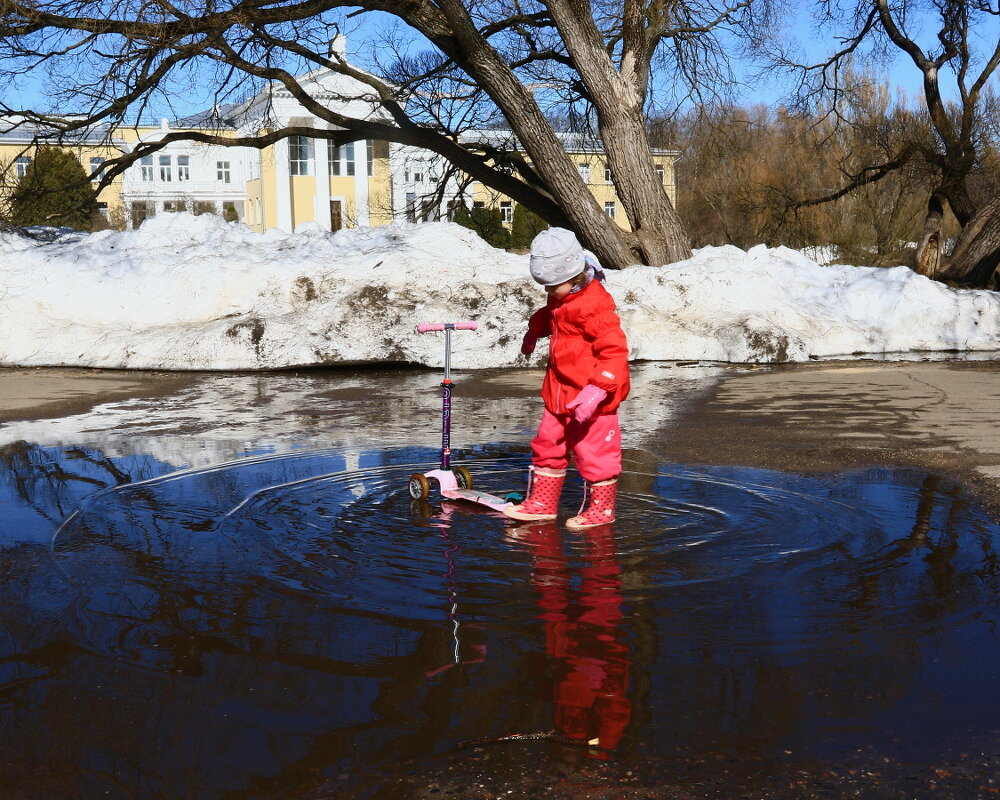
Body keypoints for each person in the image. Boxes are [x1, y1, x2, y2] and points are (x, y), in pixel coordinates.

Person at [503, 227, 630, 529]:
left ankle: (602, 509)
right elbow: (552, 315)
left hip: (591, 397)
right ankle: (543, 503)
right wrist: (535, 330)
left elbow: (615, 350)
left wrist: (598, 390)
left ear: (573, 276)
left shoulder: (594, 305)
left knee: (594, 452)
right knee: (547, 445)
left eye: (551, 286)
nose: (548, 292)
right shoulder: (562, 297)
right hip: (559, 391)